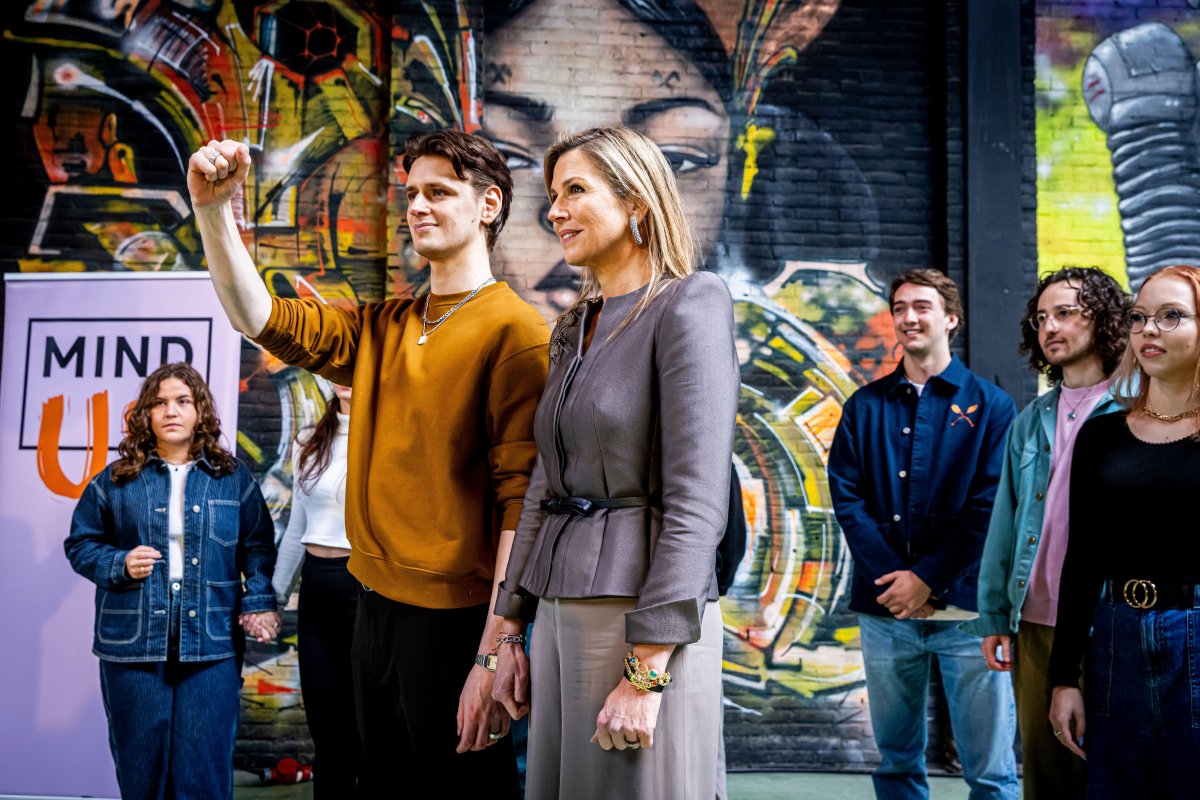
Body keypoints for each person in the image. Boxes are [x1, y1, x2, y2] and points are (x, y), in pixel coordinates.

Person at [187, 129, 547, 798]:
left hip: (455, 621)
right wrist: (214, 212)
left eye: (439, 192)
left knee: (464, 789)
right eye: (411, 193)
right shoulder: (381, 326)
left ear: (489, 204)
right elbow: (256, 315)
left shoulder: (517, 334)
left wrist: (494, 652)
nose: (417, 206)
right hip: (371, 607)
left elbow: (521, 508)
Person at [490, 126, 739, 799]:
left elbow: (697, 500)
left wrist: (648, 669)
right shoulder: (576, 323)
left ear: (637, 202)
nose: (554, 209)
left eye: (575, 190)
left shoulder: (691, 303)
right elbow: (547, 480)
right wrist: (510, 628)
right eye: (551, 193)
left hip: (642, 616)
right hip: (560, 610)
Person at [827, 269, 1019, 800]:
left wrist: (927, 578)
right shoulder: (863, 408)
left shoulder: (992, 407)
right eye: (900, 307)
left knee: (991, 769)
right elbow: (848, 498)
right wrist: (898, 581)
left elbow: (990, 506)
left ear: (950, 319)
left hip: (966, 611)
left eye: (923, 306)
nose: (909, 317)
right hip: (886, 610)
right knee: (896, 763)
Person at [63, 362, 279, 800]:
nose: (171, 411)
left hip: (211, 645)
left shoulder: (233, 478)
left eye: (183, 401)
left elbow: (257, 545)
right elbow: (81, 544)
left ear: (200, 410)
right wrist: (119, 563)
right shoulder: (115, 480)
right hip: (134, 647)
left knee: (203, 773)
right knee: (141, 774)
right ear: (146, 414)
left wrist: (257, 601)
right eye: (159, 403)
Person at [969, 267, 1129, 799]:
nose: (1050, 327)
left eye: (1065, 312)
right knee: (1046, 773)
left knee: (1118, 768)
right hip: (1037, 622)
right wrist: (995, 614)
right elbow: (1006, 524)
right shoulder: (1030, 420)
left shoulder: (1138, 411)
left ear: (1103, 319)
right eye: (1041, 318)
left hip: (1116, 619)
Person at [1049, 265, 1200, 798]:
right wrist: (1063, 678)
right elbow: (1081, 559)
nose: (1148, 330)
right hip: (1116, 642)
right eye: (1139, 318)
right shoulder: (1101, 437)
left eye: (1171, 315)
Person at [271, 382, 362, 795]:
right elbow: (296, 527)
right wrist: (271, 599)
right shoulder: (308, 438)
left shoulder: (387, 434)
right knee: (326, 732)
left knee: (368, 729)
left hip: (367, 588)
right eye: (336, 367)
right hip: (316, 589)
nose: (344, 375)